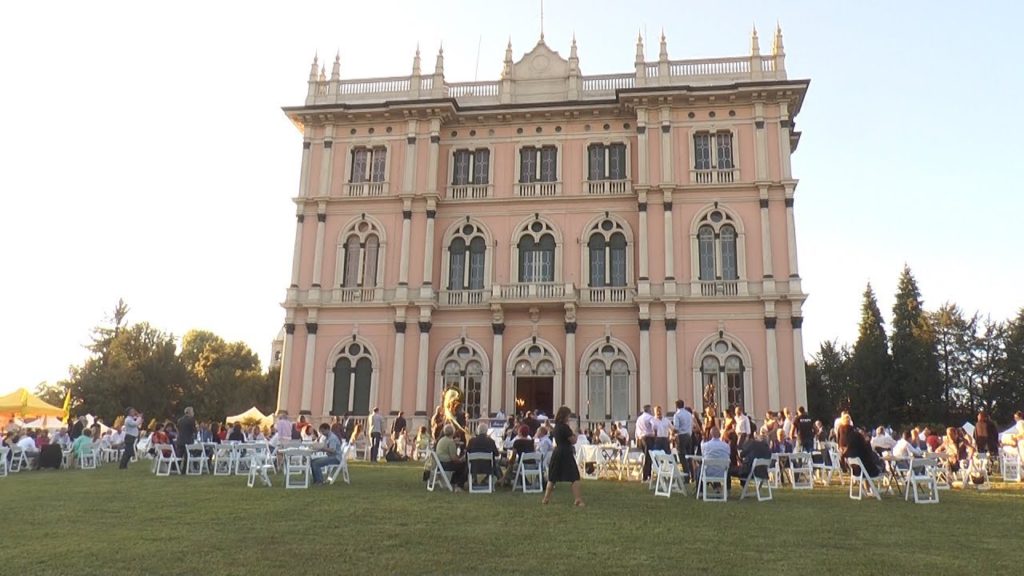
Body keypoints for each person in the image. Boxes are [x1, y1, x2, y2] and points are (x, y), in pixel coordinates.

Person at [542, 406, 584, 507]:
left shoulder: (557, 427)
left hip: (557, 452)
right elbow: (573, 440)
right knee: (574, 476)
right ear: (564, 416)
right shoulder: (565, 428)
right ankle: (578, 499)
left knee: (552, 477)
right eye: (568, 416)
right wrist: (576, 433)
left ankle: (546, 498)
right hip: (566, 452)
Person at [435, 424, 467, 491]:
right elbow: (454, 458)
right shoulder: (450, 442)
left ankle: (453, 482)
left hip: (440, 464)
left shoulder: (441, 440)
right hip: (446, 464)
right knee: (464, 466)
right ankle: (459, 485)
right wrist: (461, 460)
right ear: (453, 432)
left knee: (459, 466)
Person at [635, 405, 655, 482]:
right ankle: (646, 476)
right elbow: (654, 426)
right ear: (649, 410)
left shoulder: (639, 419)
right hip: (648, 438)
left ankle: (648, 475)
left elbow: (637, 430)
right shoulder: (650, 417)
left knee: (647, 457)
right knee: (648, 458)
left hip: (641, 438)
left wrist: (637, 439)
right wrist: (654, 433)